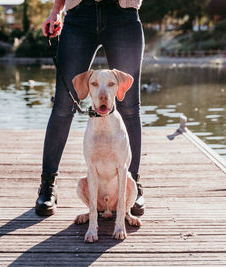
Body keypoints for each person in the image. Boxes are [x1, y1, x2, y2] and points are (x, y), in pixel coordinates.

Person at [35, 0, 145, 216]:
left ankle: (133, 184)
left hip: (123, 15)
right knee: (62, 106)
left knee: (129, 107)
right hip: (79, 15)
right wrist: (56, 11)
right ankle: (47, 186)